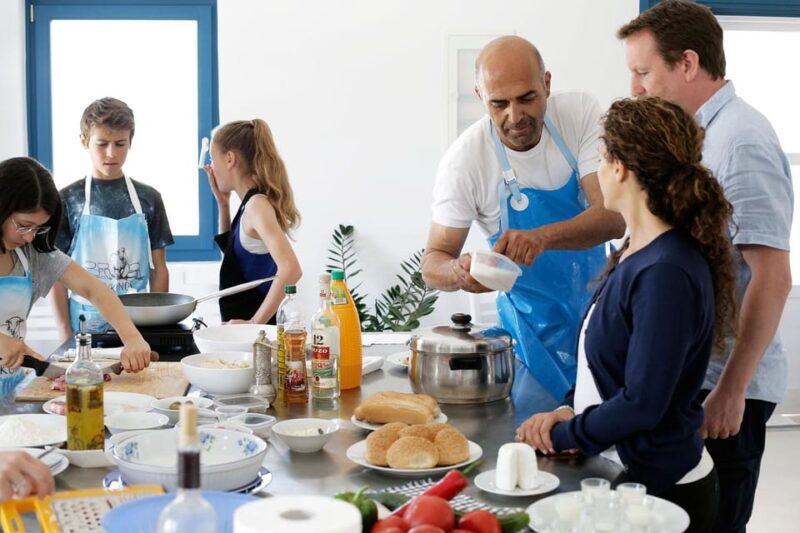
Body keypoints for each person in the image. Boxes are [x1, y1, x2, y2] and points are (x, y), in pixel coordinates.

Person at [518, 97, 736, 531]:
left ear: (620, 168)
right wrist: (569, 413)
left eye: (601, 158)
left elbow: (643, 404)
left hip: (665, 491)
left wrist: (561, 436)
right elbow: (608, 376)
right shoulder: (636, 251)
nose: (597, 171)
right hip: (628, 480)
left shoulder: (666, 272)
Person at [618, 2, 793, 530]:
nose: (636, 87)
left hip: (723, 385)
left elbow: (773, 277)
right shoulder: (698, 137)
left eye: (644, 72)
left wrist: (731, 389)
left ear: (688, 63)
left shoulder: (741, 142)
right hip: (697, 378)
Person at [421, 36, 625, 400]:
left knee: (601, 434)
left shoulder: (578, 115)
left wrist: (540, 237)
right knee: (536, 436)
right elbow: (433, 260)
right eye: (499, 103)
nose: (514, 117)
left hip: (601, 315)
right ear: (480, 96)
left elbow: (613, 217)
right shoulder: (465, 161)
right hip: (528, 338)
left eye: (526, 98)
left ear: (547, 84)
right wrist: (459, 272)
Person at [0, 157, 151, 372]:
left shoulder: (32, 254)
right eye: (24, 226)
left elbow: (95, 290)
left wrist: (132, 338)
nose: (30, 237)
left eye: (38, 228)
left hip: (10, 384)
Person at [50, 97, 174, 340]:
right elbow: (57, 274)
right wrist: (65, 333)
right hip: (84, 326)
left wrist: (158, 329)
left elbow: (159, 269)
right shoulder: (67, 199)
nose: (111, 153)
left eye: (120, 144)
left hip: (137, 324)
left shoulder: (149, 198)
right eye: (102, 143)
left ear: (131, 142)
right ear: (84, 141)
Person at [204, 119, 302, 324]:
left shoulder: (256, 205)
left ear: (230, 158)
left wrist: (253, 324)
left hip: (257, 338)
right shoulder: (249, 204)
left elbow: (291, 268)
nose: (211, 166)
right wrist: (223, 205)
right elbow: (237, 259)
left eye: (213, 158)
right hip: (246, 336)